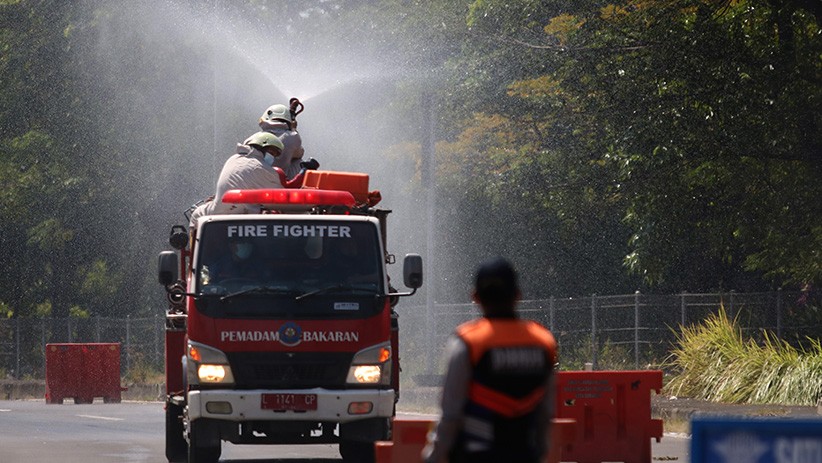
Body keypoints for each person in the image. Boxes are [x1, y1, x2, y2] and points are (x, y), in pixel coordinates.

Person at [422, 258, 558, 463]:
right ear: (517, 295)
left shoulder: (468, 342)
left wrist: (433, 457)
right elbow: (545, 413)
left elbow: (450, 413)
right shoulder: (543, 342)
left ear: (475, 297)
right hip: (525, 456)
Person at [188, 132, 317, 228]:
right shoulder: (261, 168)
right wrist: (304, 171)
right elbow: (284, 195)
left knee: (196, 215)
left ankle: (191, 261)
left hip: (219, 213)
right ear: (262, 146)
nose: (273, 157)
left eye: (276, 154)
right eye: (272, 152)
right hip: (241, 216)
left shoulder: (234, 159)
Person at [258, 100, 306, 179]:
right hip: (278, 181)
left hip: (257, 178)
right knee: (299, 163)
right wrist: (293, 129)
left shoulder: (256, 137)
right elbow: (300, 153)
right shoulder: (292, 137)